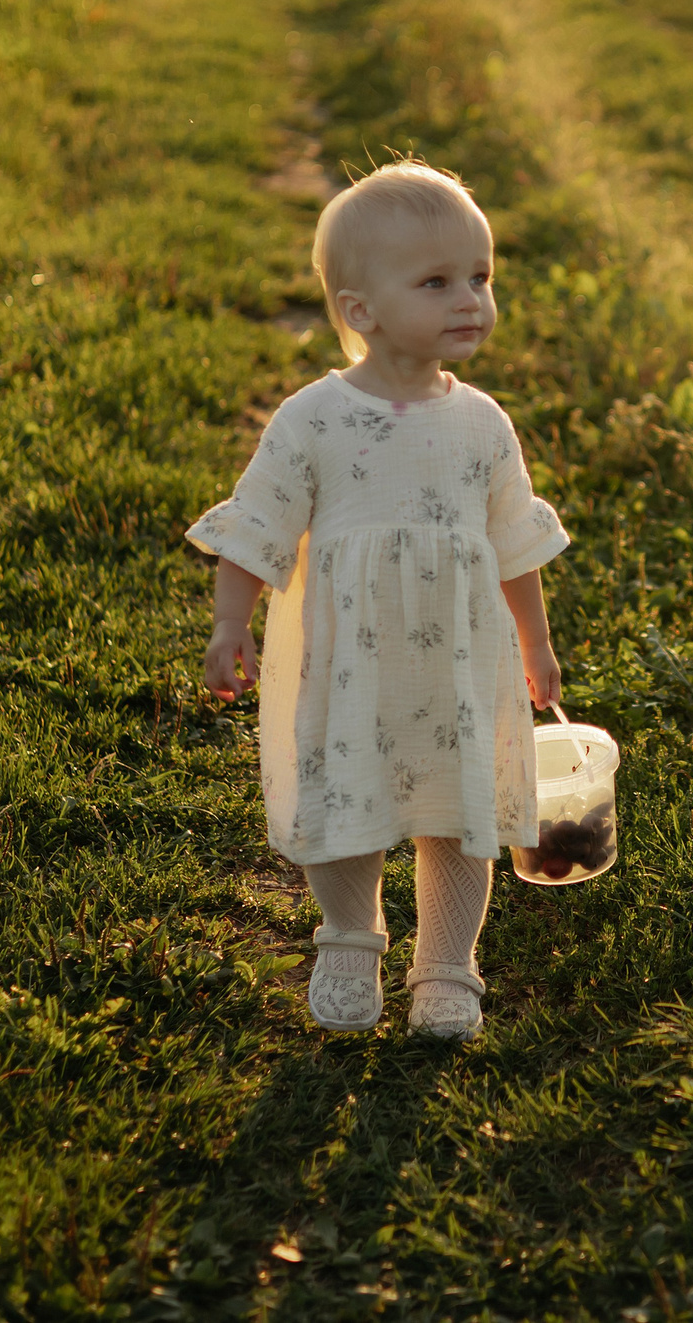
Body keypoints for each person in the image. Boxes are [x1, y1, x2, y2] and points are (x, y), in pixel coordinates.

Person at [189, 161, 567, 1040]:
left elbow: (515, 545)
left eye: (481, 276)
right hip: (351, 660)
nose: (469, 298)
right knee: (347, 797)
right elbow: (258, 527)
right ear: (361, 311)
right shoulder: (314, 419)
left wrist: (535, 644)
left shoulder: (482, 423)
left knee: (458, 810)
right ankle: (350, 937)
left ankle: (445, 964)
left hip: (459, 662)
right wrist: (228, 622)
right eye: (436, 282)